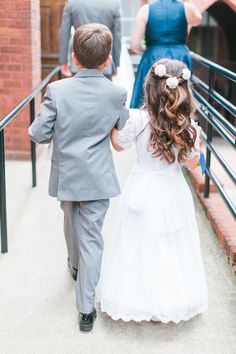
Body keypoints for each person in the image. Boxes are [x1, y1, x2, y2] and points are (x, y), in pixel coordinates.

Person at [28, 24, 129, 332]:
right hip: (98, 177)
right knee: (92, 238)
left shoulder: (57, 90)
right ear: (108, 59)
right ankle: (86, 307)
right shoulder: (116, 93)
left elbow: (37, 133)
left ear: (73, 57)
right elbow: (120, 127)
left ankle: (76, 274)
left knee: (72, 225)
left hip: (67, 176)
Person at [99, 58, 208, 323]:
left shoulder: (138, 119)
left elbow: (119, 145)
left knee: (137, 241)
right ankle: (168, 299)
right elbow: (194, 165)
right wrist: (196, 145)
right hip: (172, 188)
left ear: (150, 87)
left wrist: (114, 125)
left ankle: (138, 297)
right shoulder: (189, 127)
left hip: (141, 186)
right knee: (171, 242)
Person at [130, 0, 202, 108]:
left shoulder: (145, 10)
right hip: (180, 56)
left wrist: (147, 52)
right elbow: (198, 19)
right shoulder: (186, 8)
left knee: (149, 95)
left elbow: (134, 44)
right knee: (180, 93)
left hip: (153, 56)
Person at [59, 0, 122, 79]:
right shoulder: (114, 3)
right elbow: (117, 36)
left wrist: (64, 61)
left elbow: (65, 33)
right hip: (104, 62)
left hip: (79, 61)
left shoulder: (72, 2)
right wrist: (115, 63)